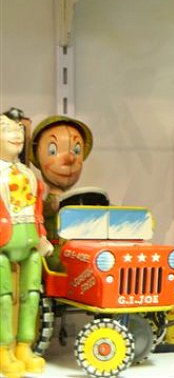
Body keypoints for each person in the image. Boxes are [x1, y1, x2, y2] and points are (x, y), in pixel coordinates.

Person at [0, 109, 53, 378]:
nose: (16, 135)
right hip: (3, 244)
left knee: (32, 295)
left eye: (19, 130)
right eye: (8, 130)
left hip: (30, 241)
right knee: (3, 298)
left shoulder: (28, 175)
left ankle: (24, 345)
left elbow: (36, 210)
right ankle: (3, 348)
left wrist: (41, 236)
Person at [30, 116, 93, 271]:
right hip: (49, 255)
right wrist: (48, 208)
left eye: (77, 150)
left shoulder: (80, 203)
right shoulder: (38, 201)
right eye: (53, 150)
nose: (70, 158)